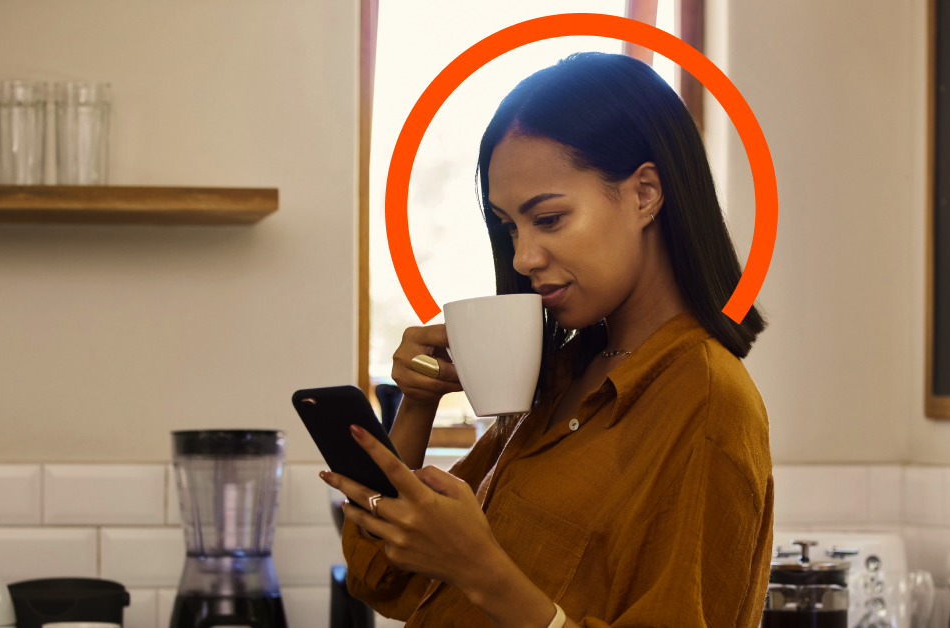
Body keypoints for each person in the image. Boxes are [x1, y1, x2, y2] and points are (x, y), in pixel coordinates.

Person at [322, 52, 773, 628]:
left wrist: (482, 570)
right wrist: (419, 402)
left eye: (550, 218)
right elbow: (376, 575)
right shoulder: (559, 375)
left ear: (645, 194)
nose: (523, 257)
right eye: (510, 226)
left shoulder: (707, 401)